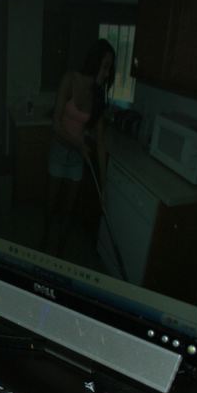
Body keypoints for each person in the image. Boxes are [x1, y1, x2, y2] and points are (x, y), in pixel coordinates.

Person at [42, 38, 115, 256]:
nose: (107, 74)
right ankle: (44, 240)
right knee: (50, 205)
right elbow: (56, 124)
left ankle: (60, 250)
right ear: (95, 62)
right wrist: (79, 145)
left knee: (69, 210)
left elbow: (100, 144)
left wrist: (103, 188)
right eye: (105, 67)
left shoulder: (98, 96)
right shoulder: (70, 79)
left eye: (109, 69)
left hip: (76, 160)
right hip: (59, 151)